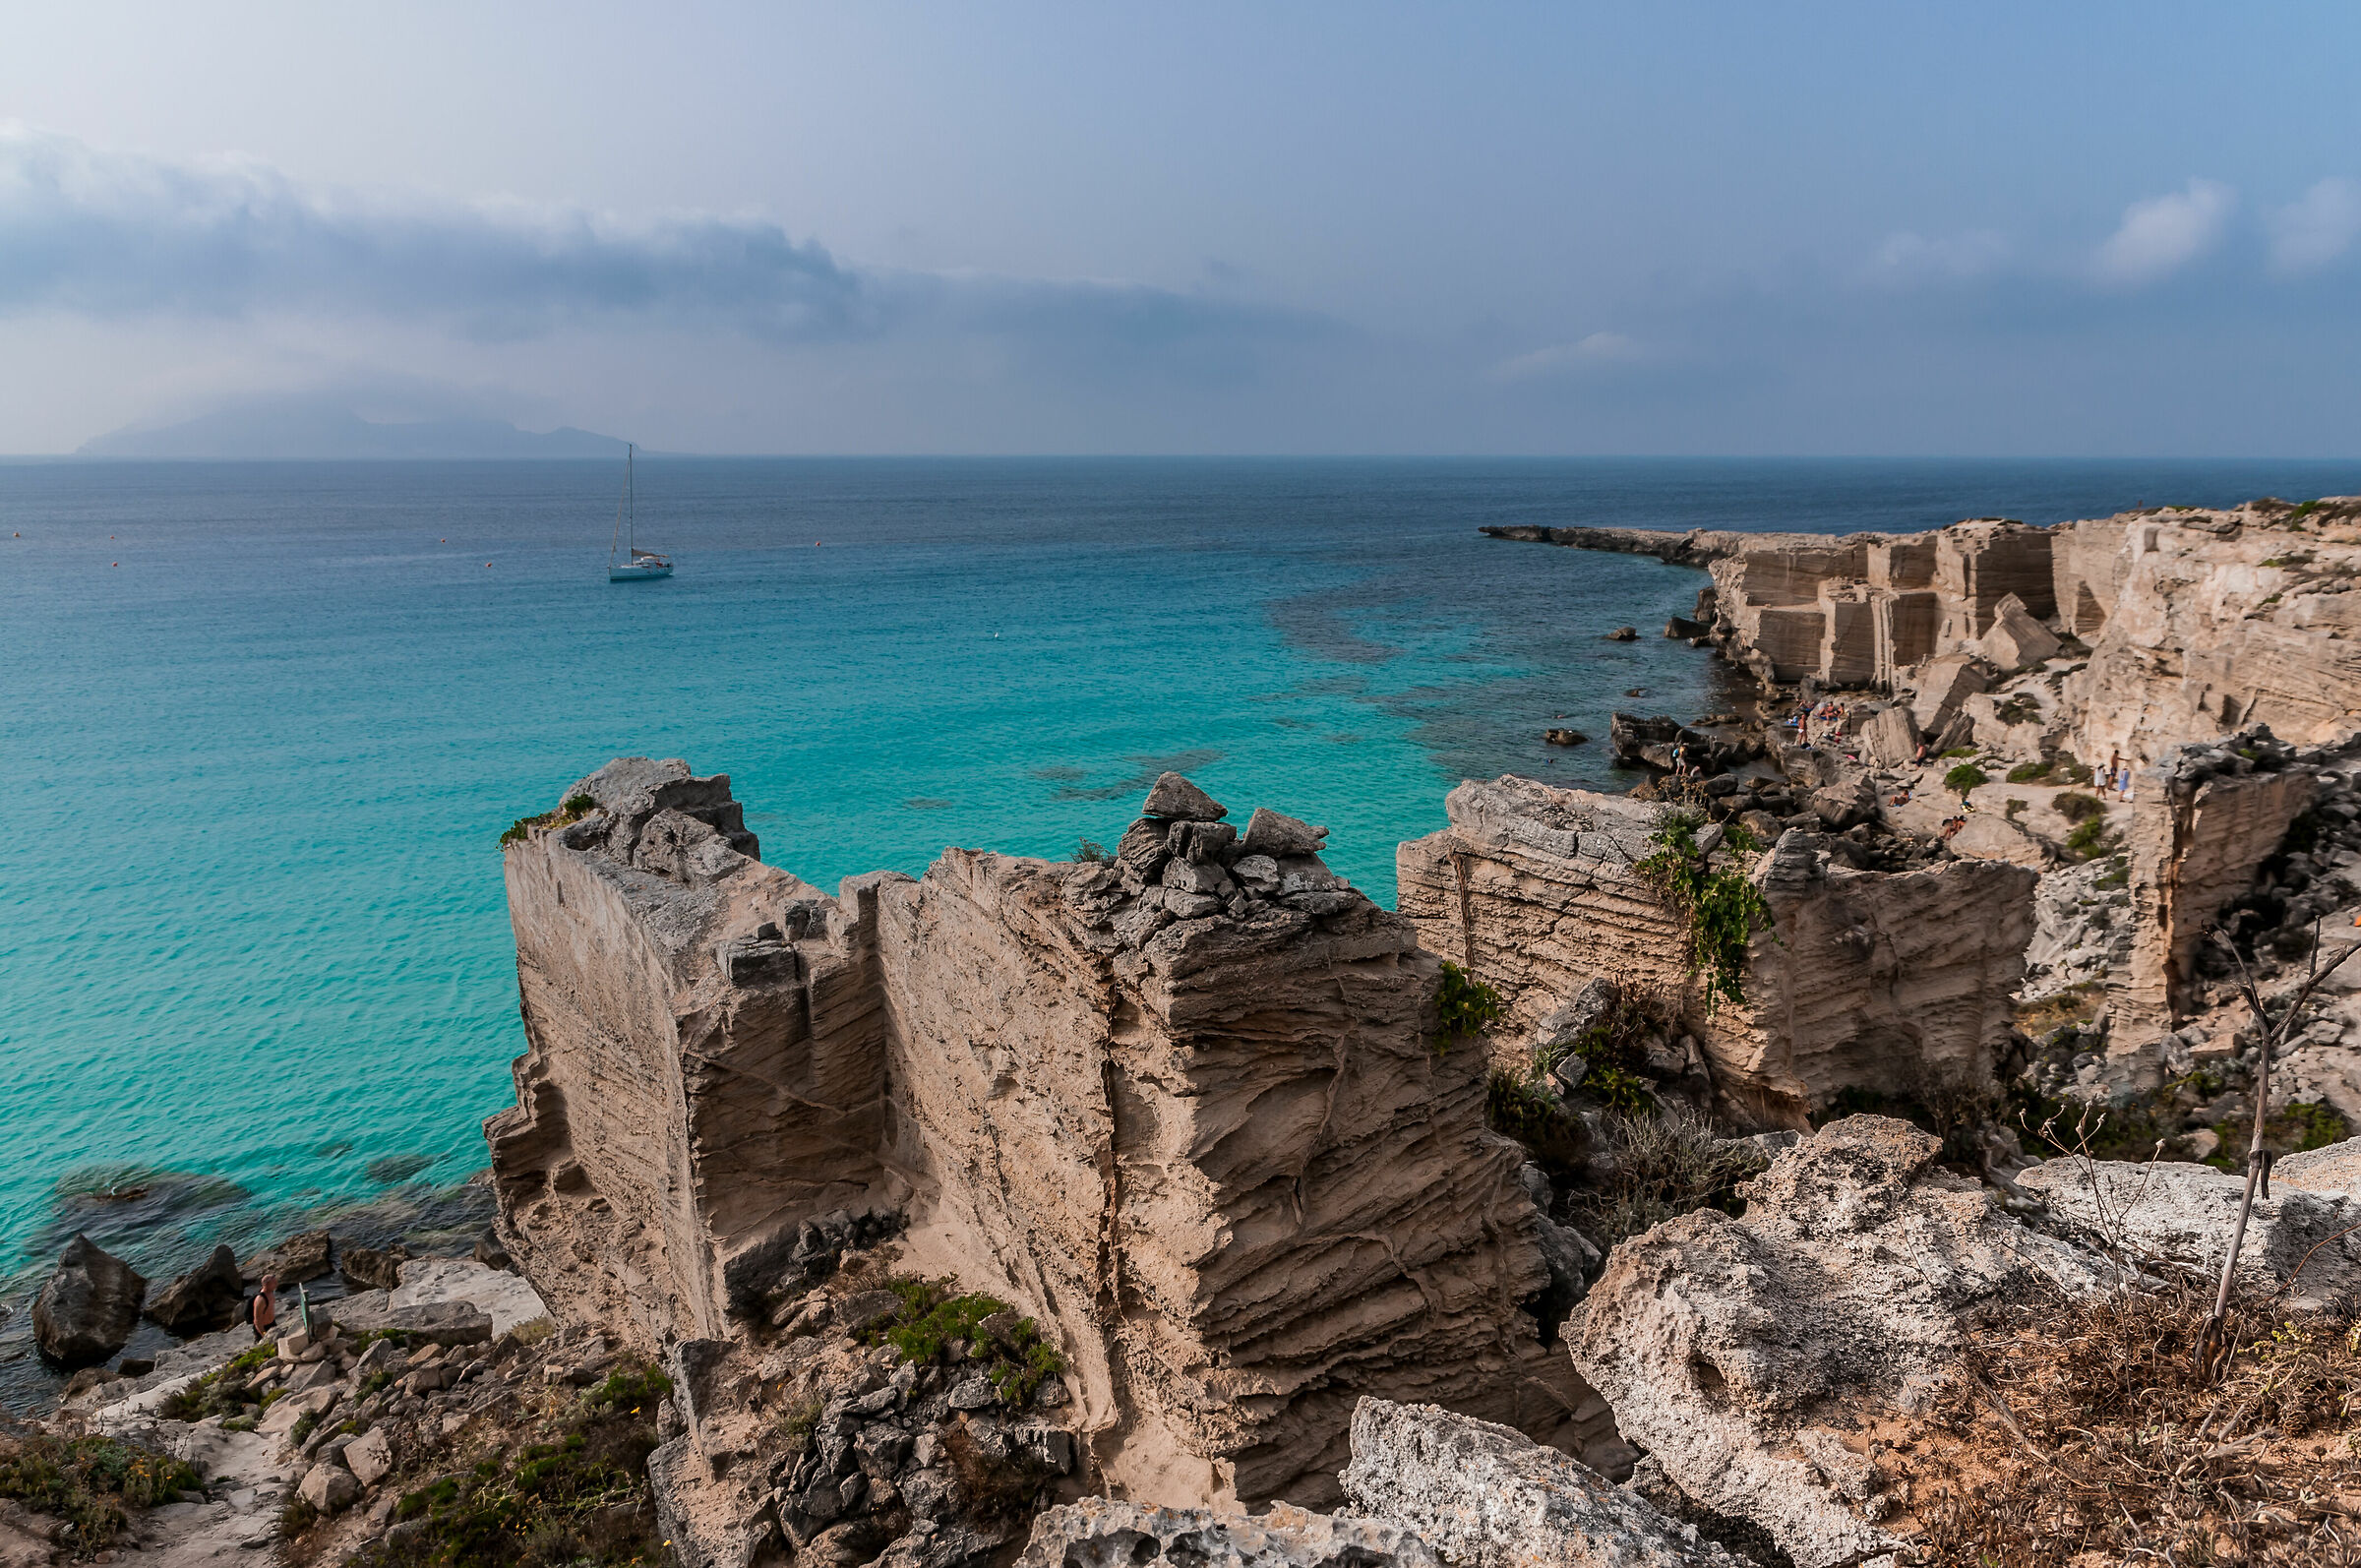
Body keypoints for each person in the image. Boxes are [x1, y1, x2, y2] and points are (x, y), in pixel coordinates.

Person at [249, 1273, 279, 1342]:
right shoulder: (261, 1299)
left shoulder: (271, 1292)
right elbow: (257, 1320)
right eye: (274, 1283)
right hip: (263, 1328)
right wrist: (264, 1334)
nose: (276, 1284)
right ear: (266, 1285)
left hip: (272, 1324)